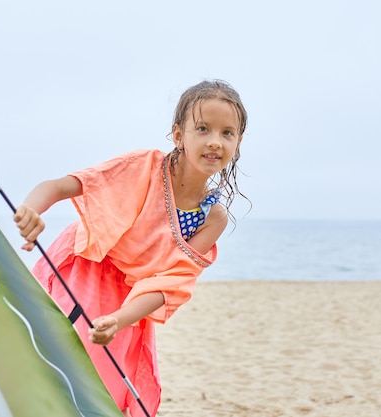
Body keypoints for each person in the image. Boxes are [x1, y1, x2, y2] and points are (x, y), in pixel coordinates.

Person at [13, 79, 248, 417]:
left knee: (101, 389)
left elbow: (171, 284)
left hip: (129, 303)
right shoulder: (144, 167)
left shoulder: (212, 217)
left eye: (227, 133)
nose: (215, 141)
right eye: (203, 128)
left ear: (238, 143)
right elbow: (61, 186)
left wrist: (120, 320)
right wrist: (31, 210)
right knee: (50, 358)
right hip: (85, 266)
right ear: (179, 135)